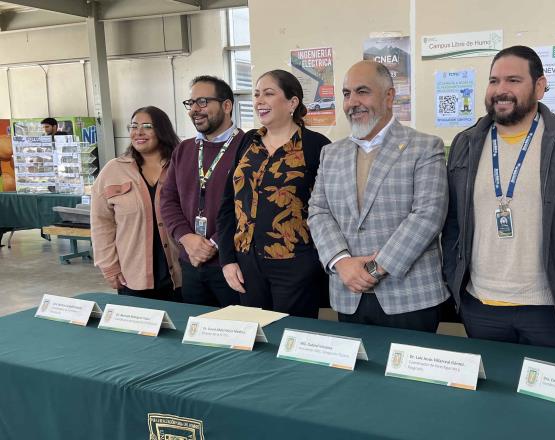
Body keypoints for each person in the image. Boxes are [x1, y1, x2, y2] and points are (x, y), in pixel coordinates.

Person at [441, 46, 555, 350]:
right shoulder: (466, 143)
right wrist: (457, 288)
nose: (501, 90)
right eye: (494, 81)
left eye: (513, 81)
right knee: (490, 397)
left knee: (553, 397)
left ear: (540, 86)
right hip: (481, 305)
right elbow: (453, 222)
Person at [308, 60, 449, 332]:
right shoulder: (331, 154)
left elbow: (428, 216)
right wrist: (341, 263)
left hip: (409, 297)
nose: (352, 102)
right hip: (348, 294)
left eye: (363, 91)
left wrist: (373, 270)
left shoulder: (424, 146)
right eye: (347, 94)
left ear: (389, 96)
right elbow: (318, 211)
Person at [216, 70, 330, 318]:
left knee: (292, 340)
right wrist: (227, 260)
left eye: (269, 93)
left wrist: (314, 263)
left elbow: (330, 210)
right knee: (256, 339)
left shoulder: (316, 146)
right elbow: (228, 204)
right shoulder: (248, 141)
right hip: (246, 264)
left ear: (292, 102)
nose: (259, 101)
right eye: (257, 94)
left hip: (296, 265)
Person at [160, 75, 244, 307]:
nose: (195, 109)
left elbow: (249, 205)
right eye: (191, 103)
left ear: (227, 106)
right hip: (191, 263)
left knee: (236, 334)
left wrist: (214, 244)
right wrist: (186, 238)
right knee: (195, 330)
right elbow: (168, 200)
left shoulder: (248, 147)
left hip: (232, 264)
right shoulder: (184, 150)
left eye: (203, 102)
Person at [91, 106, 182, 300]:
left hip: (181, 275)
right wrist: (109, 266)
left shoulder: (181, 166)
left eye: (147, 126)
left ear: (162, 130)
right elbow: (101, 223)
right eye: (133, 126)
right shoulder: (113, 171)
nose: (138, 132)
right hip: (132, 275)